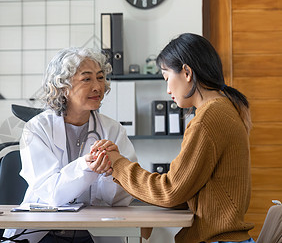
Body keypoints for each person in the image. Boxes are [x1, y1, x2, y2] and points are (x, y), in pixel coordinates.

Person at [93, 33, 255, 243]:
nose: (168, 89)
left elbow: (170, 190)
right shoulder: (223, 109)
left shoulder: (209, 117)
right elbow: (183, 191)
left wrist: (118, 164)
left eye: (167, 78)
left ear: (187, 72)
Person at [4, 47, 137, 243]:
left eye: (100, 78)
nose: (97, 87)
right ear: (63, 87)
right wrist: (86, 166)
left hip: (93, 233)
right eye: (87, 79)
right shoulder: (37, 128)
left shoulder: (113, 129)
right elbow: (50, 194)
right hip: (43, 231)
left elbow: (121, 199)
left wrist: (114, 170)